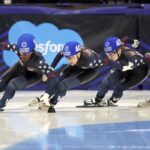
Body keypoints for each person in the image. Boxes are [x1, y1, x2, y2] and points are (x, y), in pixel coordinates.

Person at [29, 41, 108, 111]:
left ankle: (52, 102)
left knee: (64, 85)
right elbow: (59, 55)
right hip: (77, 65)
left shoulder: (90, 60)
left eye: (70, 58)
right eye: (67, 58)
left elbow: (106, 62)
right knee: (59, 79)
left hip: (91, 70)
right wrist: (51, 69)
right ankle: (44, 97)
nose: (68, 60)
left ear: (78, 54)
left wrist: (119, 67)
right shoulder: (72, 56)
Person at [84, 36, 149, 107]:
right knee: (106, 81)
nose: (110, 56)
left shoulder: (129, 54)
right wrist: (133, 41)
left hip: (140, 71)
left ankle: (112, 101)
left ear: (119, 49)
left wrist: (146, 58)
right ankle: (98, 99)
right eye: (108, 53)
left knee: (120, 87)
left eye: (112, 53)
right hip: (125, 66)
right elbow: (126, 39)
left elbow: (139, 60)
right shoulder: (118, 46)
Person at [0, 33, 56, 110]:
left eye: (25, 53)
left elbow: (54, 79)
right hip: (19, 68)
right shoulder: (17, 48)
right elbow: (4, 45)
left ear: (32, 51)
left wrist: (47, 94)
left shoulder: (39, 61)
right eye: (21, 52)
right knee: (2, 82)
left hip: (32, 76)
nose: (22, 55)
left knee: (12, 84)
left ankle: (1, 104)